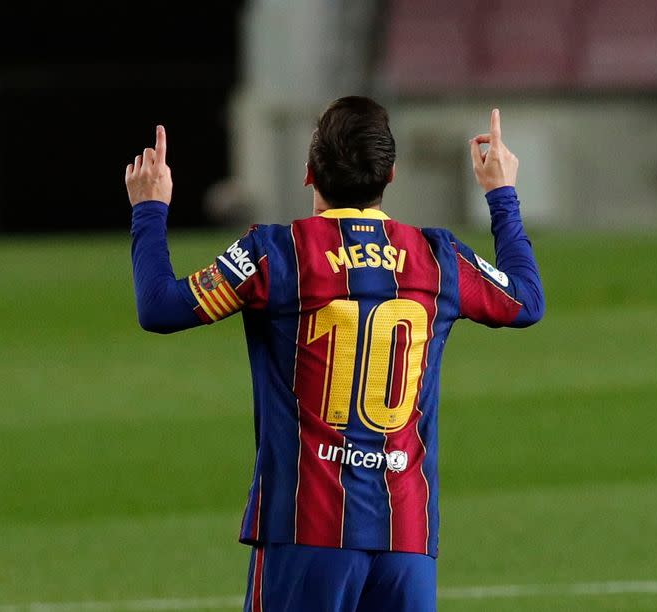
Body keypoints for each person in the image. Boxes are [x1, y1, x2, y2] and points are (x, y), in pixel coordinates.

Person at [125, 96, 544, 612]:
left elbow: (160, 307)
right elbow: (526, 300)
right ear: (390, 174)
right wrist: (501, 193)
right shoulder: (439, 257)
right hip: (405, 535)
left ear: (308, 173)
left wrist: (149, 207)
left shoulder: (274, 254)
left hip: (306, 527)